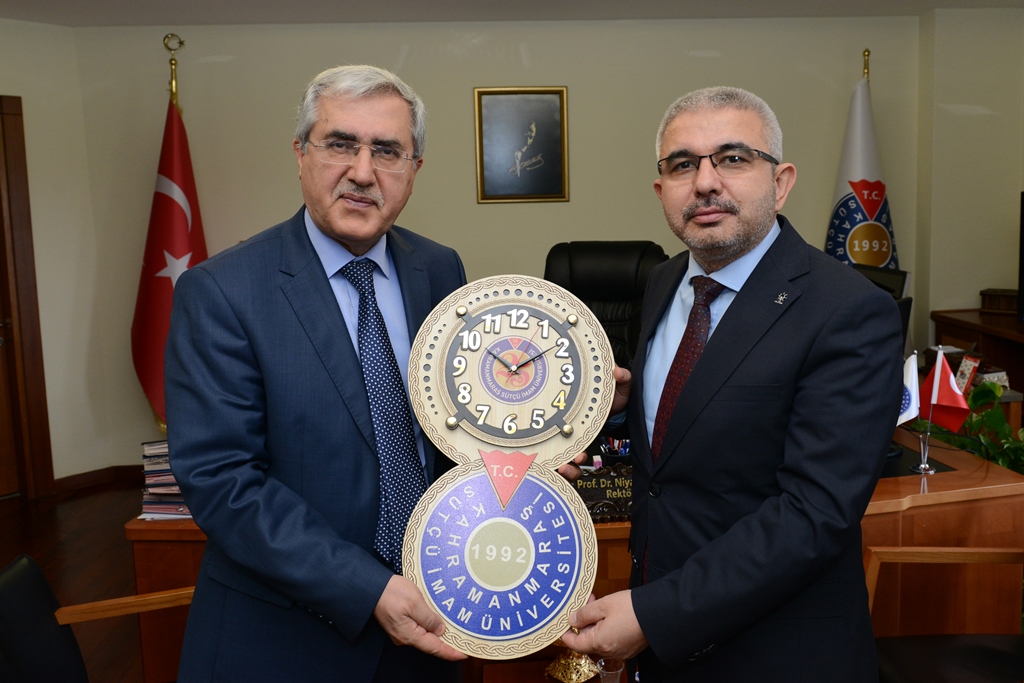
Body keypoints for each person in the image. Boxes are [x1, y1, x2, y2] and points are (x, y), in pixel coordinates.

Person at [562, 86, 903, 681]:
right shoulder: (665, 282)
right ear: (661, 190)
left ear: (782, 182)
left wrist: (654, 615)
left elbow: (814, 512)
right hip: (663, 647)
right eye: (682, 165)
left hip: (777, 655)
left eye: (734, 158)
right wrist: (614, 408)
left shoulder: (849, 310)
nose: (705, 182)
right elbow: (689, 427)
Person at [165, 65, 468, 682]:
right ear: (301, 153)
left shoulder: (440, 269)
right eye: (340, 144)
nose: (363, 172)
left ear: (414, 168)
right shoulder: (221, 291)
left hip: (433, 623)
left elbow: (453, 426)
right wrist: (368, 587)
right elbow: (223, 481)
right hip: (285, 641)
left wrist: (522, 450)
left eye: (388, 151)